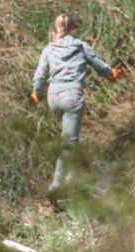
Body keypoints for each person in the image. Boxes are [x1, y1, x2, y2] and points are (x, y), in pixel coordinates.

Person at [30, 14, 121, 211]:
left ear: (54, 31)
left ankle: (71, 188)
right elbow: (99, 65)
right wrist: (111, 75)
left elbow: (39, 75)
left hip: (53, 99)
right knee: (69, 145)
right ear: (73, 30)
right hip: (72, 97)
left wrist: (36, 93)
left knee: (71, 141)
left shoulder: (48, 49)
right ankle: (57, 186)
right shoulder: (80, 46)